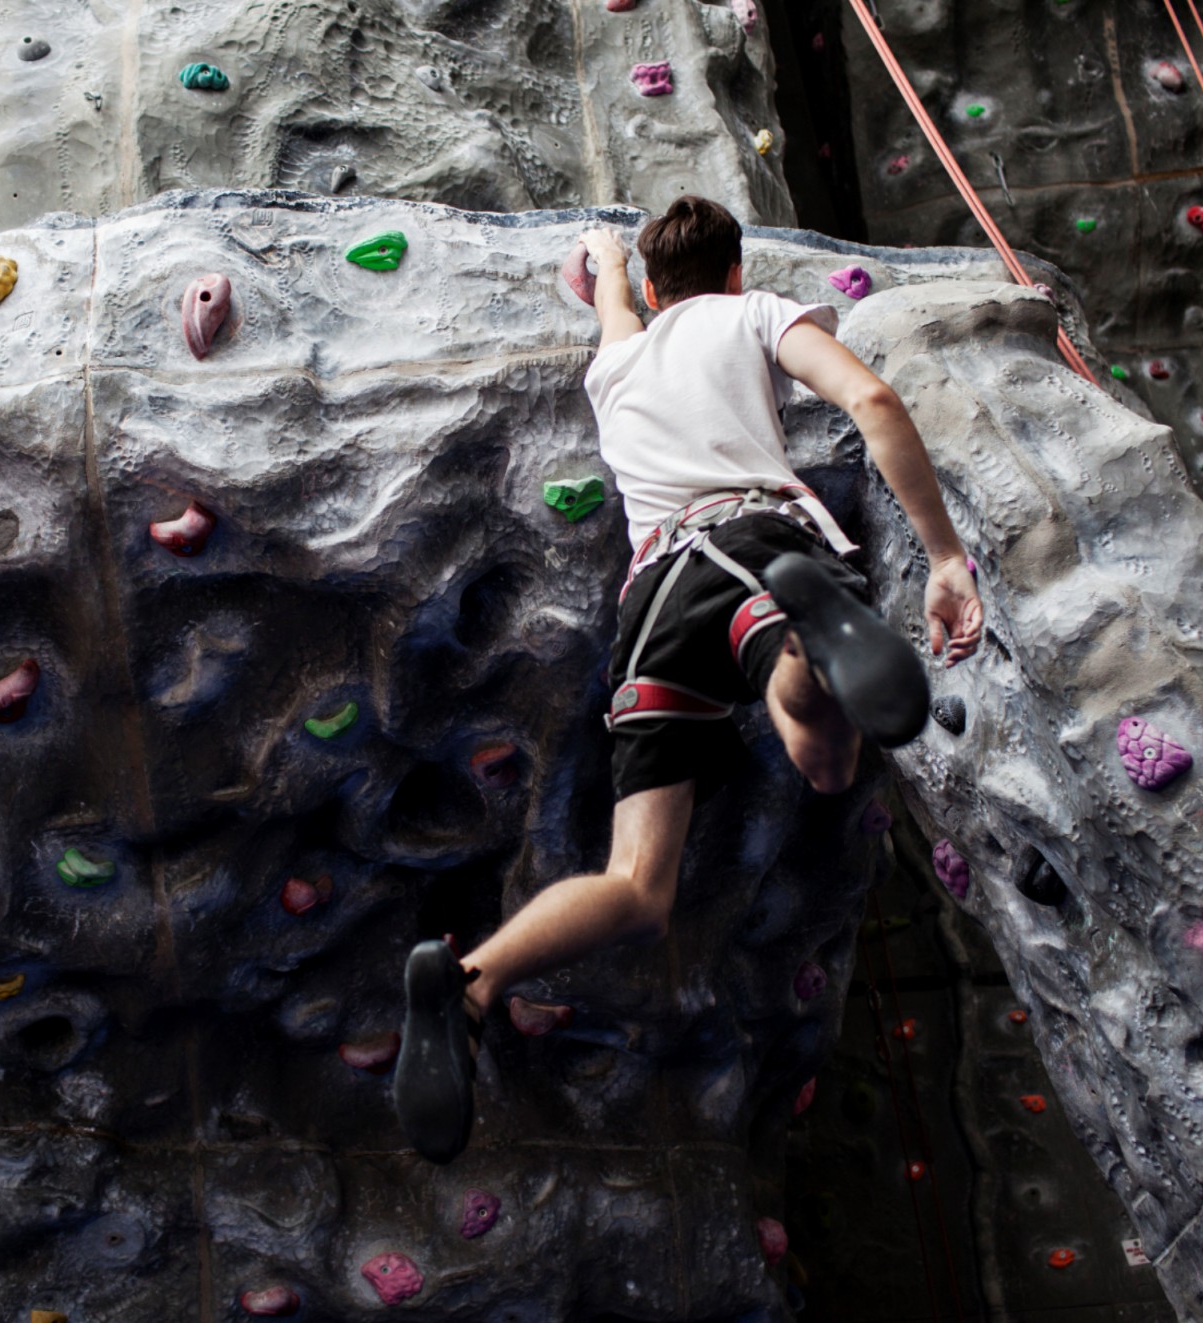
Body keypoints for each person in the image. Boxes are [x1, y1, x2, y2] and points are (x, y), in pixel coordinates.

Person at [393, 195, 984, 1164]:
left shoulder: (617, 358)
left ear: (656, 288)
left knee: (636, 883)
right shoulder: (750, 314)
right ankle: (798, 640)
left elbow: (616, 305)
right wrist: (944, 553)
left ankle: (472, 981)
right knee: (828, 758)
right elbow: (870, 401)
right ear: (737, 273)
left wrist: (602, 262)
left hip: (655, 598)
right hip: (753, 536)